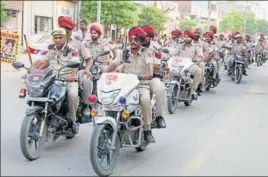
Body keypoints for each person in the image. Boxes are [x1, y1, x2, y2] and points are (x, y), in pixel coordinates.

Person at [104, 26, 156, 143]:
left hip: (141, 85)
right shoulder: (125, 52)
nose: (133, 42)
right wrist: (104, 73)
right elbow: (114, 64)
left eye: (136, 39)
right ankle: (111, 123)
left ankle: (147, 130)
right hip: (125, 85)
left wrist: (148, 74)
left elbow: (150, 67)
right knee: (111, 98)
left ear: (141, 41)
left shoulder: (146, 53)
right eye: (131, 39)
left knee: (145, 100)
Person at [32, 28, 81, 134]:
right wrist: (31, 71)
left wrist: (72, 75)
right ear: (53, 39)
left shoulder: (73, 50)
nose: (58, 40)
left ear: (65, 38)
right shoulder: (50, 48)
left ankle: (72, 120)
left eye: (60, 37)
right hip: (53, 79)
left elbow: (75, 64)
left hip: (68, 79)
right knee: (40, 93)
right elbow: (42, 61)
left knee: (72, 95)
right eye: (56, 38)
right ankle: (45, 114)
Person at [140, 24, 166, 129]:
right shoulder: (134, 44)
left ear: (150, 36)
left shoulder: (156, 47)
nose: (143, 38)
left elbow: (157, 64)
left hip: (151, 77)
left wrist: (152, 71)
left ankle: (160, 116)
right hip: (133, 79)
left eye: (146, 35)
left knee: (160, 88)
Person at [172, 30, 203, 100]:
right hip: (179, 65)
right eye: (184, 36)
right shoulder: (180, 46)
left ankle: (193, 90)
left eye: (188, 37)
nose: (185, 38)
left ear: (191, 37)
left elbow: (200, 53)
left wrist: (200, 57)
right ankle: (170, 86)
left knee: (199, 71)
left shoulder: (196, 45)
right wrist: (168, 56)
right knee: (170, 70)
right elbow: (173, 53)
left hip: (190, 65)